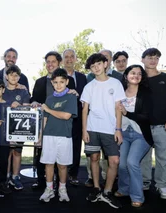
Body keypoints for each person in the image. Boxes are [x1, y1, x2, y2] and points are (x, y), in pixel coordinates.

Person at [81, 53, 125, 209]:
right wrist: (84, 131)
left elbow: (118, 108)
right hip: (92, 129)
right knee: (94, 158)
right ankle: (96, 188)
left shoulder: (116, 84)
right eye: (92, 66)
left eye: (98, 64)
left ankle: (107, 192)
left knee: (114, 161)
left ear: (106, 63)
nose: (96, 68)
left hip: (110, 129)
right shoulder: (89, 86)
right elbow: (85, 110)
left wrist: (118, 129)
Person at [30, 51, 76, 190]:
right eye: (47, 62)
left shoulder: (70, 82)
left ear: (59, 63)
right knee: (44, 157)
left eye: (53, 62)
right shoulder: (40, 81)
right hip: (45, 125)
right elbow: (35, 99)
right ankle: (43, 183)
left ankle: (61, 186)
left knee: (62, 162)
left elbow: (73, 98)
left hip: (63, 127)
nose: (50, 64)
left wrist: (75, 92)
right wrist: (34, 103)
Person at [140, 48, 166, 199]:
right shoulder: (138, 79)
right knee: (144, 158)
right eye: (150, 57)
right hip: (143, 127)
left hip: (163, 125)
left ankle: (163, 186)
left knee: (163, 158)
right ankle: (144, 182)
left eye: (156, 58)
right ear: (142, 59)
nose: (153, 60)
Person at [115, 65, 153, 208]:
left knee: (132, 162)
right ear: (126, 75)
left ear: (142, 77)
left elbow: (147, 117)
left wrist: (127, 113)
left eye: (139, 73)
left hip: (140, 134)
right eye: (132, 73)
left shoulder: (146, 93)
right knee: (123, 164)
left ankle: (137, 196)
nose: (136, 75)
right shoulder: (120, 92)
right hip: (123, 133)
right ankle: (124, 189)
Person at [39, 68, 77, 203]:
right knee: (48, 163)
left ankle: (62, 189)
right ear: (52, 83)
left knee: (62, 165)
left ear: (67, 81)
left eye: (62, 82)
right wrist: (40, 137)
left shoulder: (71, 97)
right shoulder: (49, 98)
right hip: (49, 136)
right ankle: (49, 189)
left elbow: (66, 116)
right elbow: (45, 119)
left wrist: (48, 109)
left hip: (64, 136)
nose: (59, 85)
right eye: (55, 82)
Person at [2, 64, 30, 190]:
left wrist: (18, 106)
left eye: (16, 75)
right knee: (7, 153)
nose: (14, 77)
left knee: (17, 152)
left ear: (19, 77)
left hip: (19, 127)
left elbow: (26, 107)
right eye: (11, 74)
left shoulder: (23, 91)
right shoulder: (2, 90)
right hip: (4, 127)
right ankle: (5, 176)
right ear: (6, 76)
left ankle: (15, 177)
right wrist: (9, 105)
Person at [62, 49, 87, 186]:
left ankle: (73, 174)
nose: (69, 59)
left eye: (72, 57)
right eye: (66, 57)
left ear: (75, 59)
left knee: (76, 147)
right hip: (61, 118)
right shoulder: (58, 76)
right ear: (63, 60)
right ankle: (58, 175)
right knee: (61, 147)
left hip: (78, 118)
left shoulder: (83, 77)